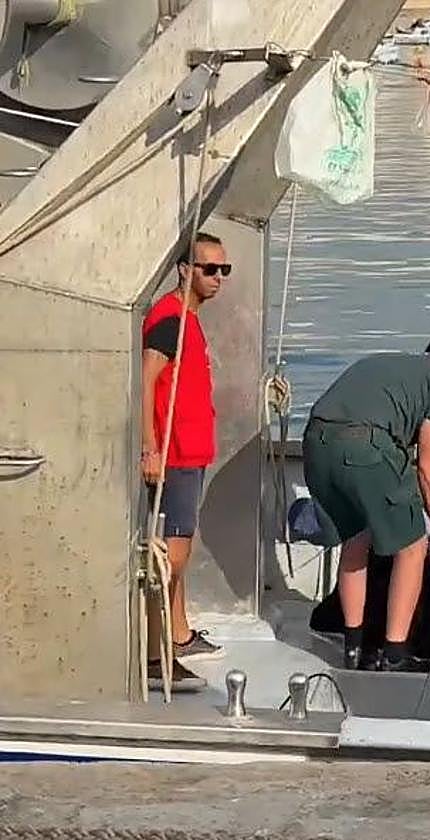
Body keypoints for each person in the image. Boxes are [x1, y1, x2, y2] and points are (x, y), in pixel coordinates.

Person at [303, 330, 430, 671]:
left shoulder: (389, 366)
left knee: (356, 538)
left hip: (316, 444)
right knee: (412, 546)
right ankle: (395, 654)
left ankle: (353, 648)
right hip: (364, 448)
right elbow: (429, 462)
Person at [141, 232, 231, 692]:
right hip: (173, 455)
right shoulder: (169, 319)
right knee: (170, 559)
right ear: (184, 270)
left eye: (223, 270)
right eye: (209, 269)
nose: (218, 277)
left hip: (191, 452)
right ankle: (156, 654)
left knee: (182, 552)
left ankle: (179, 633)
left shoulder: (189, 319)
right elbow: (146, 381)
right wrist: (150, 447)